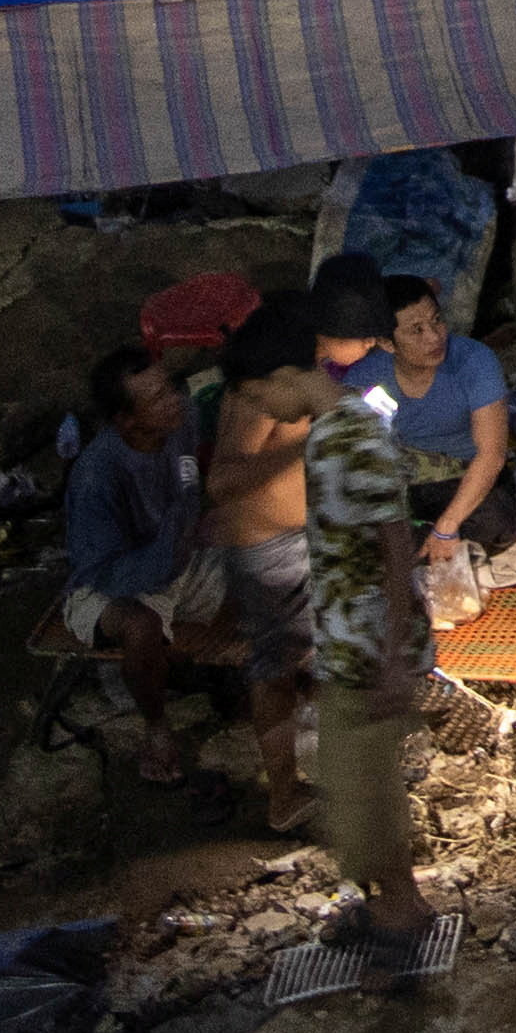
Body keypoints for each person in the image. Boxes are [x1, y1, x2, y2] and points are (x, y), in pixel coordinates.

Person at [286, 265, 441, 968]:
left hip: (367, 644)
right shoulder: (346, 415)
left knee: (361, 792)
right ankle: (392, 900)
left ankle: (398, 918)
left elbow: (394, 541)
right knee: (362, 787)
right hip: (356, 637)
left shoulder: (347, 424)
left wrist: (390, 652)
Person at [200, 283, 331, 831]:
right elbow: (222, 481)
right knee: (272, 669)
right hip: (263, 551)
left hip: (299, 539)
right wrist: (297, 448)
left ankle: (323, 759)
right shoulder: (255, 395)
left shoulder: (302, 376)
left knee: (310, 654)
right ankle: (283, 794)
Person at [61, 344, 221, 785]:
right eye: (157, 399)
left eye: (169, 388)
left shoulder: (183, 419)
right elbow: (104, 571)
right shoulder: (98, 475)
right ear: (127, 420)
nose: (174, 401)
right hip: (117, 580)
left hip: (182, 555)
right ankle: (156, 728)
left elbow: (193, 484)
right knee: (141, 627)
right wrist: (171, 554)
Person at [377, 275, 516, 567]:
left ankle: (428, 539)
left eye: (437, 320)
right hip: (406, 477)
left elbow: (491, 455)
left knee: (498, 521)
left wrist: (446, 527)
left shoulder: (475, 362)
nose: (434, 337)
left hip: (463, 475)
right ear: (386, 343)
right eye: (416, 330)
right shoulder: (366, 374)